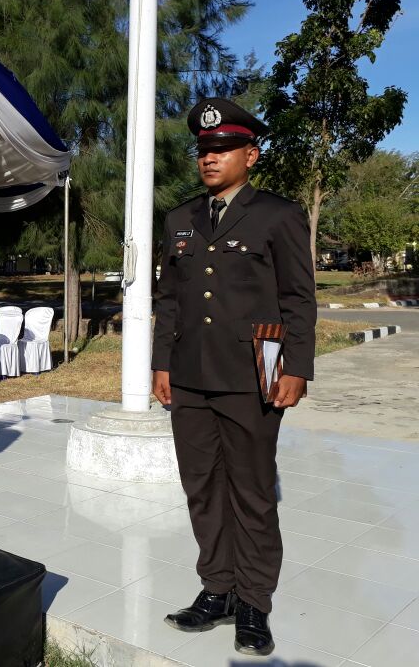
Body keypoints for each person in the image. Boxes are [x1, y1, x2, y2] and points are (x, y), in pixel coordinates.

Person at [151, 97, 316, 657]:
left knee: (251, 491)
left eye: (222, 149)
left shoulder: (278, 214)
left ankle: (254, 602)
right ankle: (217, 589)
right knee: (201, 487)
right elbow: (169, 300)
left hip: (252, 377)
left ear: (251, 153)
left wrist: (297, 367)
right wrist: (161, 363)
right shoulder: (180, 219)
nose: (210, 158)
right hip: (191, 376)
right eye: (204, 150)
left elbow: (298, 299)